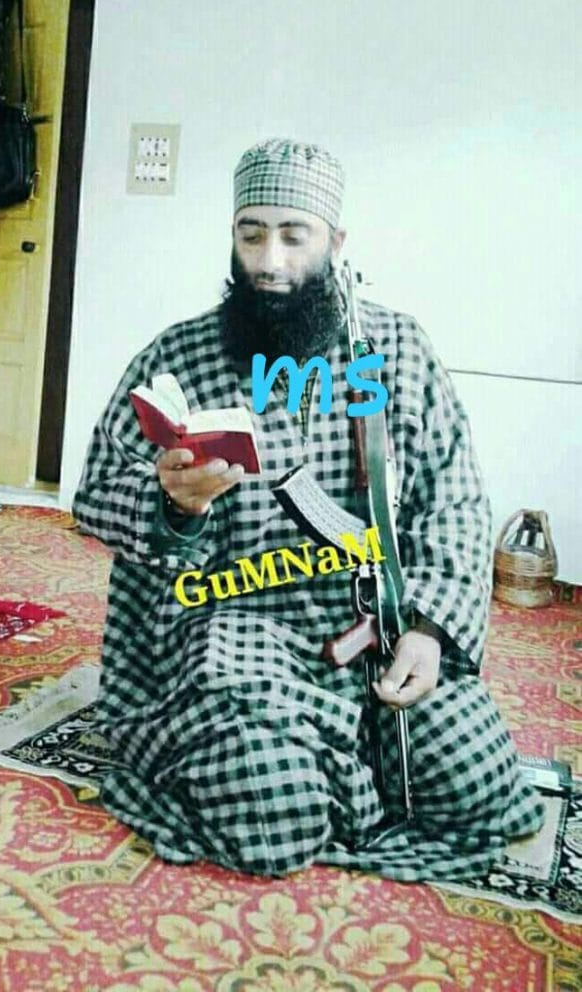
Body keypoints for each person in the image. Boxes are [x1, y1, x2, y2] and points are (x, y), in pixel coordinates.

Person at [73, 139, 544, 881]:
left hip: (372, 625)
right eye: (251, 234)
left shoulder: (396, 351)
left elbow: (453, 499)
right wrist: (171, 504)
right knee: (273, 818)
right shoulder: (181, 356)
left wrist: (427, 632)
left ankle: (330, 767)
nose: (270, 260)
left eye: (295, 236)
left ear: (336, 241)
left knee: (481, 788)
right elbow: (98, 492)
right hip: (234, 627)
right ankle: (292, 768)